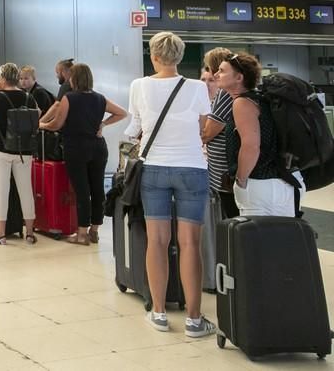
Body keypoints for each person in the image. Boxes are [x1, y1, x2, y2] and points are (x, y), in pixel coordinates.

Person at [124, 31, 214, 337]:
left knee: (157, 241)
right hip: (191, 167)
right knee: (190, 243)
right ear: (179, 56)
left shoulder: (139, 86)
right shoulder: (198, 87)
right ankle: (194, 319)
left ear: (153, 56)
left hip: (155, 170)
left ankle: (159, 312)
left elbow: (134, 128)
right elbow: (204, 126)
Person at [40, 63, 127, 245]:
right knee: (97, 190)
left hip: (76, 147)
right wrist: (103, 124)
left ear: (74, 78)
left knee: (82, 191)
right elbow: (122, 113)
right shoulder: (99, 98)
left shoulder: (69, 98)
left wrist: (42, 125)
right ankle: (94, 231)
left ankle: (81, 234)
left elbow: (57, 124)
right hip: (98, 148)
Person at [215, 52, 305, 217]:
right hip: (282, 182)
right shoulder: (261, 100)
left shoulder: (242, 103)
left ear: (239, 78)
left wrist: (240, 181)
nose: (216, 74)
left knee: (258, 240)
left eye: (222, 71)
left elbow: (251, 146)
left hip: (261, 185)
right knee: (280, 240)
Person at [0, 64, 37, 243]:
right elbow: (36, 120)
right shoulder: (29, 97)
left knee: (2, 191)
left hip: (1, 149)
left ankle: (1, 234)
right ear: (17, 78)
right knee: (26, 190)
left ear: (2, 78)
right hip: (24, 151)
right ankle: (30, 233)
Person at [200, 48, 239, 219]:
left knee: (231, 216)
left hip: (225, 172)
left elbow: (209, 132)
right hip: (223, 171)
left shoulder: (225, 94)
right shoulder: (227, 93)